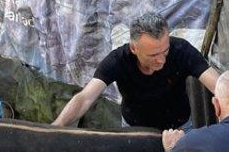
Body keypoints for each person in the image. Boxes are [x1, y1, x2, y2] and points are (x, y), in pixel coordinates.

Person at [52, 12, 219, 130]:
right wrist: (56, 128)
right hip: (134, 130)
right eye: (153, 54)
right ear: (134, 48)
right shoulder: (118, 60)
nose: (161, 59)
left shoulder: (181, 50)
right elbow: (84, 98)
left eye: (165, 51)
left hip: (180, 128)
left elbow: (219, 86)